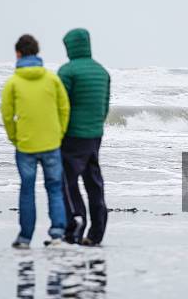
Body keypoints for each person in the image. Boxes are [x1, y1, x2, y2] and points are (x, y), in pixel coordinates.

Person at [1, 34, 70, 249]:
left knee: (27, 190)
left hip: (26, 145)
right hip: (51, 143)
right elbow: (64, 109)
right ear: (37, 52)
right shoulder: (52, 79)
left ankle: (25, 238)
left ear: (18, 53)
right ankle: (57, 234)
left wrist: (15, 137)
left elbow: (6, 115)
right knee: (55, 188)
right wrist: (59, 133)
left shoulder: (13, 82)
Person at [58, 28, 111, 246]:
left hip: (72, 136)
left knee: (67, 183)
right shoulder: (102, 72)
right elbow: (105, 106)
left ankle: (76, 223)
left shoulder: (67, 72)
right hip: (95, 135)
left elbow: (60, 106)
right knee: (94, 183)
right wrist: (95, 125)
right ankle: (96, 232)